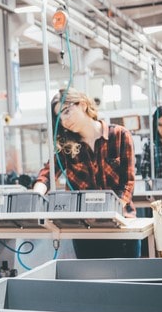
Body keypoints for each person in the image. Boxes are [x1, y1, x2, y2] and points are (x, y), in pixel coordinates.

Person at [32, 88, 138, 258]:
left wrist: (109, 212)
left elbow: (128, 184)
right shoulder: (67, 147)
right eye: (60, 118)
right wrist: (36, 195)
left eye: (67, 111)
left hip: (120, 225)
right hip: (85, 229)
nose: (65, 121)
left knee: (125, 281)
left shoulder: (119, 135)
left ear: (82, 104)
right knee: (90, 281)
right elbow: (48, 173)